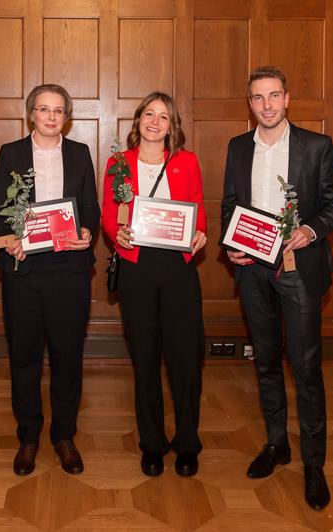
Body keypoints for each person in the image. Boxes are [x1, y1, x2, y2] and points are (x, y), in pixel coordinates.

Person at [221, 66, 333, 510]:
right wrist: (231, 244)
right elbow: (230, 206)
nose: (267, 105)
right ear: (250, 103)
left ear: (287, 98)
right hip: (252, 270)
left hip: (299, 271)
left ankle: (314, 464)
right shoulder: (238, 147)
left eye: (274, 96)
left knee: (307, 368)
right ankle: (277, 443)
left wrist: (311, 231)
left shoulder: (317, 146)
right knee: (266, 361)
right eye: (258, 98)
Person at [0, 84, 100, 476]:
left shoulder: (80, 153)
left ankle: (64, 436)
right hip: (24, 272)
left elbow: (90, 206)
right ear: (31, 114)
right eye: (43, 109)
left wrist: (86, 232)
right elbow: (0, 210)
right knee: (25, 357)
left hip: (69, 271)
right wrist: (10, 242)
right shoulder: (11, 153)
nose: (51, 116)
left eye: (58, 110)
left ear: (66, 116)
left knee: (68, 357)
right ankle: (28, 437)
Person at [101, 92, 207, 477]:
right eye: (149, 114)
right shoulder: (119, 164)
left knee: (184, 359)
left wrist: (200, 234)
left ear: (172, 125)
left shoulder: (186, 162)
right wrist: (118, 234)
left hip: (178, 268)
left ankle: (187, 443)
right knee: (145, 357)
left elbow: (198, 208)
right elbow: (109, 214)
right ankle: (152, 443)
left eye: (164, 116)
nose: (155, 121)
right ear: (138, 120)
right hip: (137, 267)